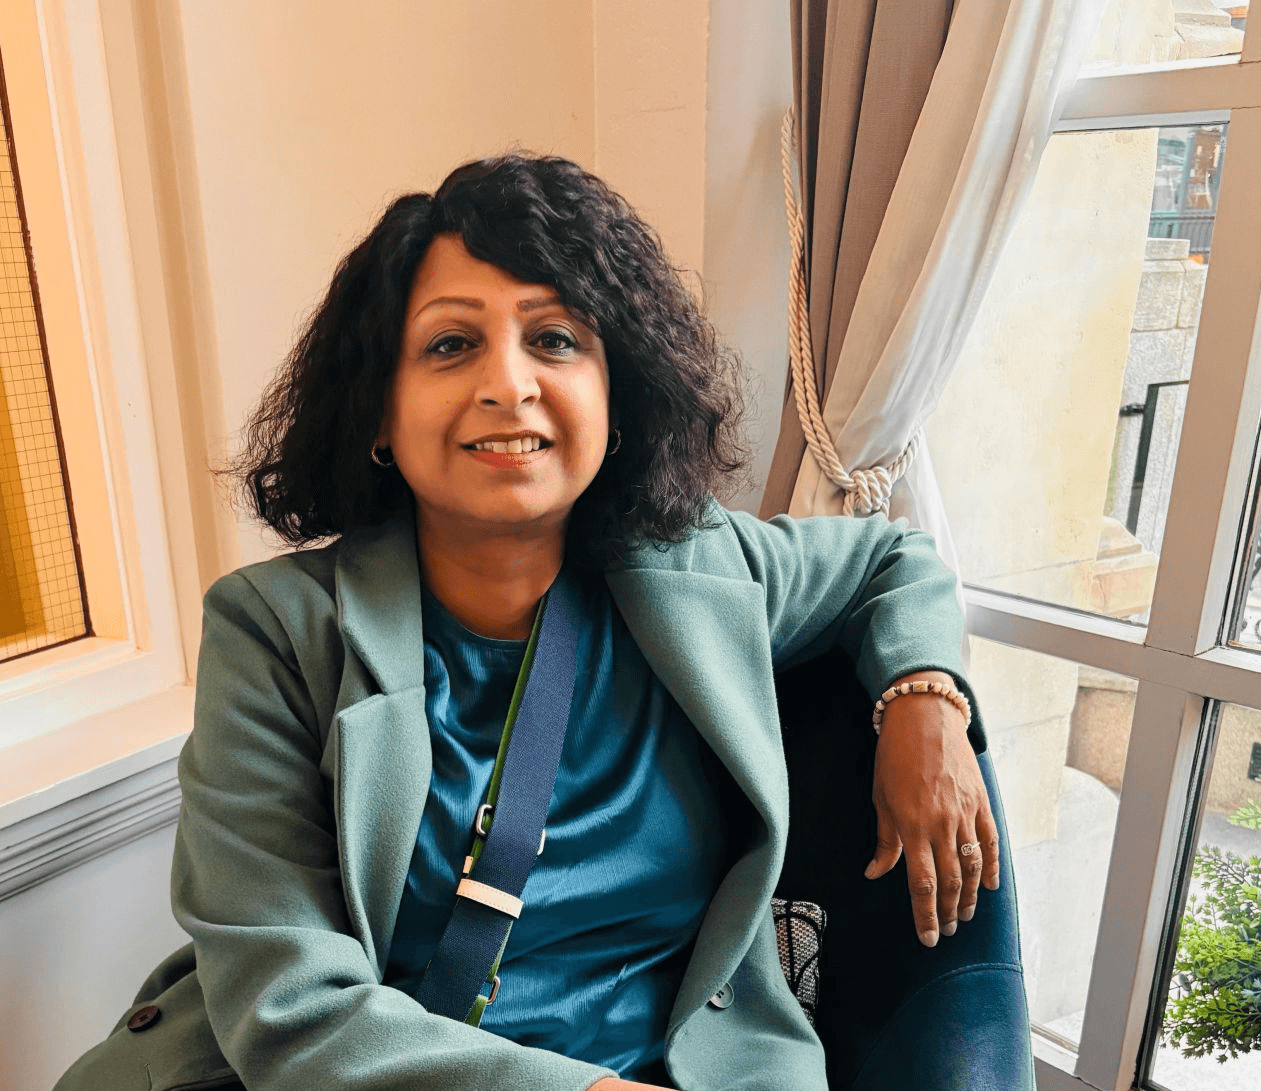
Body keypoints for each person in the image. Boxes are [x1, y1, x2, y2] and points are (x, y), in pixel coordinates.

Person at [55, 154, 1007, 1091]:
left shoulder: (707, 567)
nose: (508, 384)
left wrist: (923, 696)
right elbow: (289, 1003)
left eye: (554, 339)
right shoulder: (276, 632)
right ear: (378, 411)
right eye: (449, 344)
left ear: (615, 394)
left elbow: (892, 561)